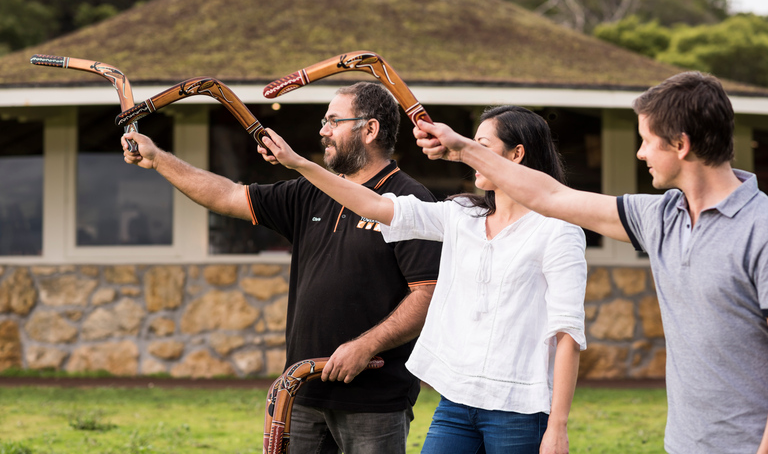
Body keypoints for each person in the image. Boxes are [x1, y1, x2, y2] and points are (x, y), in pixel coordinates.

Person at [411, 72, 768, 454]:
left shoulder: (759, 230)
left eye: (647, 140)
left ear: (680, 144)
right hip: (683, 444)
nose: (640, 153)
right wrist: (465, 149)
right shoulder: (661, 218)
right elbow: (550, 195)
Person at [122, 82, 441, 454]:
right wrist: (158, 158)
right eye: (325, 121)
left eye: (334, 121)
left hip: (373, 402)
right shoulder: (311, 191)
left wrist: (365, 346)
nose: (323, 130)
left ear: (369, 130)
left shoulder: (409, 201)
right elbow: (227, 195)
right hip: (301, 393)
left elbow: (429, 292)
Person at [260, 105, 588, 454]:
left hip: (520, 407)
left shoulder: (558, 231)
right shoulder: (463, 217)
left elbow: (567, 332)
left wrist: (557, 425)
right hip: (457, 403)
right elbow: (374, 206)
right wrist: (300, 165)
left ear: (516, 154)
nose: (471, 156)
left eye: (482, 147)